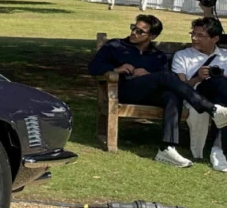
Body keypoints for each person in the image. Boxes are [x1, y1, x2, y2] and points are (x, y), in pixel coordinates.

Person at [89, 14, 227, 167]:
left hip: (149, 94)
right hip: (124, 90)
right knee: (165, 76)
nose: (134, 32)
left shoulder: (158, 56)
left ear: (152, 36)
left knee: (172, 92)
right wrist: (116, 68)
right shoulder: (115, 46)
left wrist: (149, 75)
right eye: (134, 28)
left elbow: (168, 82)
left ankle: (166, 148)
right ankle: (211, 109)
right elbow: (93, 67)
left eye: (141, 31)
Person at [171, 18, 227, 171]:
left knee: (221, 90)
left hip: (219, 99)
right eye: (193, 34)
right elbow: (179, 85)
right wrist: (198, 78)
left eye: (200, 35)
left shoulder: (225, 56)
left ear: (215, 38)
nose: (194, 38)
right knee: (220, 84)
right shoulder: (182, 55)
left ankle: (217, 150)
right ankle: (217, 150)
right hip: (194, 96)